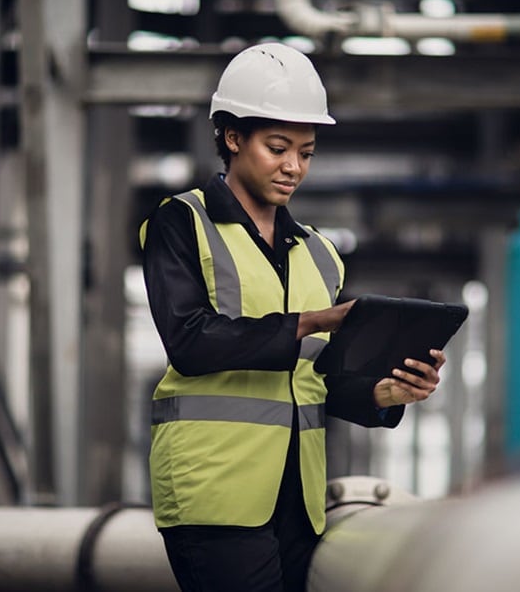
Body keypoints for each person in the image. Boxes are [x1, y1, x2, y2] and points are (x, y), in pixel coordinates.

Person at [139, 42, 445, 592]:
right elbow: (190, 340)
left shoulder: (320, 253)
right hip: (214, 493)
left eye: (306, 152)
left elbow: (313, 379)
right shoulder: (182, 224)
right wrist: (310, 320)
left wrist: (383, 395)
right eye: (278, 147)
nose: (293, 167)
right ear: (232, 137)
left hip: (298, 498)